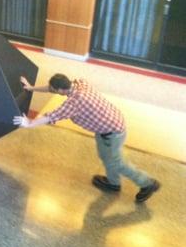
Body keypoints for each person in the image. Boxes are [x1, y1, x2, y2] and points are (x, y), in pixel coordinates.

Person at [13, 74, 160, 203]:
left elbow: (51, 116)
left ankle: (147, 184)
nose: (51, 91)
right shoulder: (79, 83)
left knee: (118, 163)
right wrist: (31, 88)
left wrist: (30, 123)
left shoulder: (74, 103)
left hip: (114, 132)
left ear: (60, 90)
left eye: (54, 90)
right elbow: (50, 88)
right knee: (105, 156)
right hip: (105, 127)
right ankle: (113, 183)